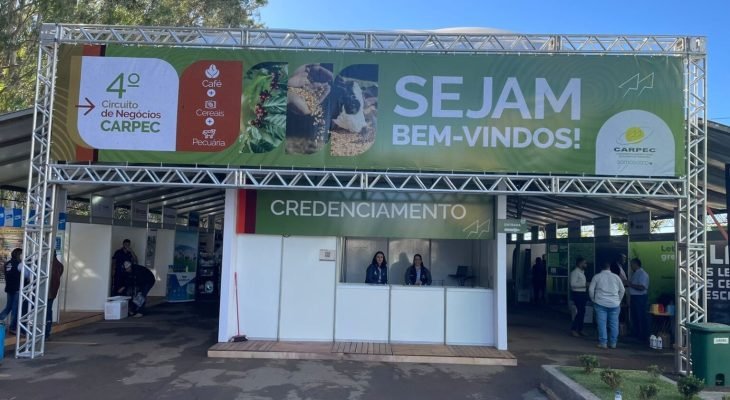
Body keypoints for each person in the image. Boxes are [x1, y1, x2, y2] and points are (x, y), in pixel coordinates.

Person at [589, 261, 626, 349]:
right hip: (614, 304)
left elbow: (591, 290)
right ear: (609, 268)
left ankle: (603, 343)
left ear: (600, 268)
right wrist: (619, 300)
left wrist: (593, 300)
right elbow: (623, 290)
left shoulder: (597, 277)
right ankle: (613, 343)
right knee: (614, 324)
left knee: (602, 324)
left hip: (600, 303)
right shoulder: (616, 277)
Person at [0, 248, 22, 335]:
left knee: (8, 307)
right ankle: (13, 327)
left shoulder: (7, 264)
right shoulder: (19, 264)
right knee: (15, 309)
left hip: (9, 288)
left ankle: (1, 319)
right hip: (17, 288)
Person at [628, 257, 650, 342]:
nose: (630, 266)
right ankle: (637, 333)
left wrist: (630, 284)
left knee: (640, 316)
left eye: (631, 265)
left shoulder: (642, 274)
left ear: (635, 264)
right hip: (635, 297)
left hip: (640, 298)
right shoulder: (636, 273)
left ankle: (643, 336)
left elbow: (642, 287)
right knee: (635, 316)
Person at [46, 250, 64, 340]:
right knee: (49, 312)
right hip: (52, 292)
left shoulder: (43, 263)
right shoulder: (60, 265)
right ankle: (47, 332)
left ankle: (42, 333)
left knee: (42, 312)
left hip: (43, 292)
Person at [570, 256, 588, 337]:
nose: (586, 264)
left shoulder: (582, 272)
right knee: (579, 312)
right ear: (580, 263)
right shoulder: (575, 272)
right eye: (584, 263)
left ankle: (580, 329)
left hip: (582, 293)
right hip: (577, 294)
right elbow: (572, 284)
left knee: (582, 312)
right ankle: (574, 329)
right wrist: (584, 285)